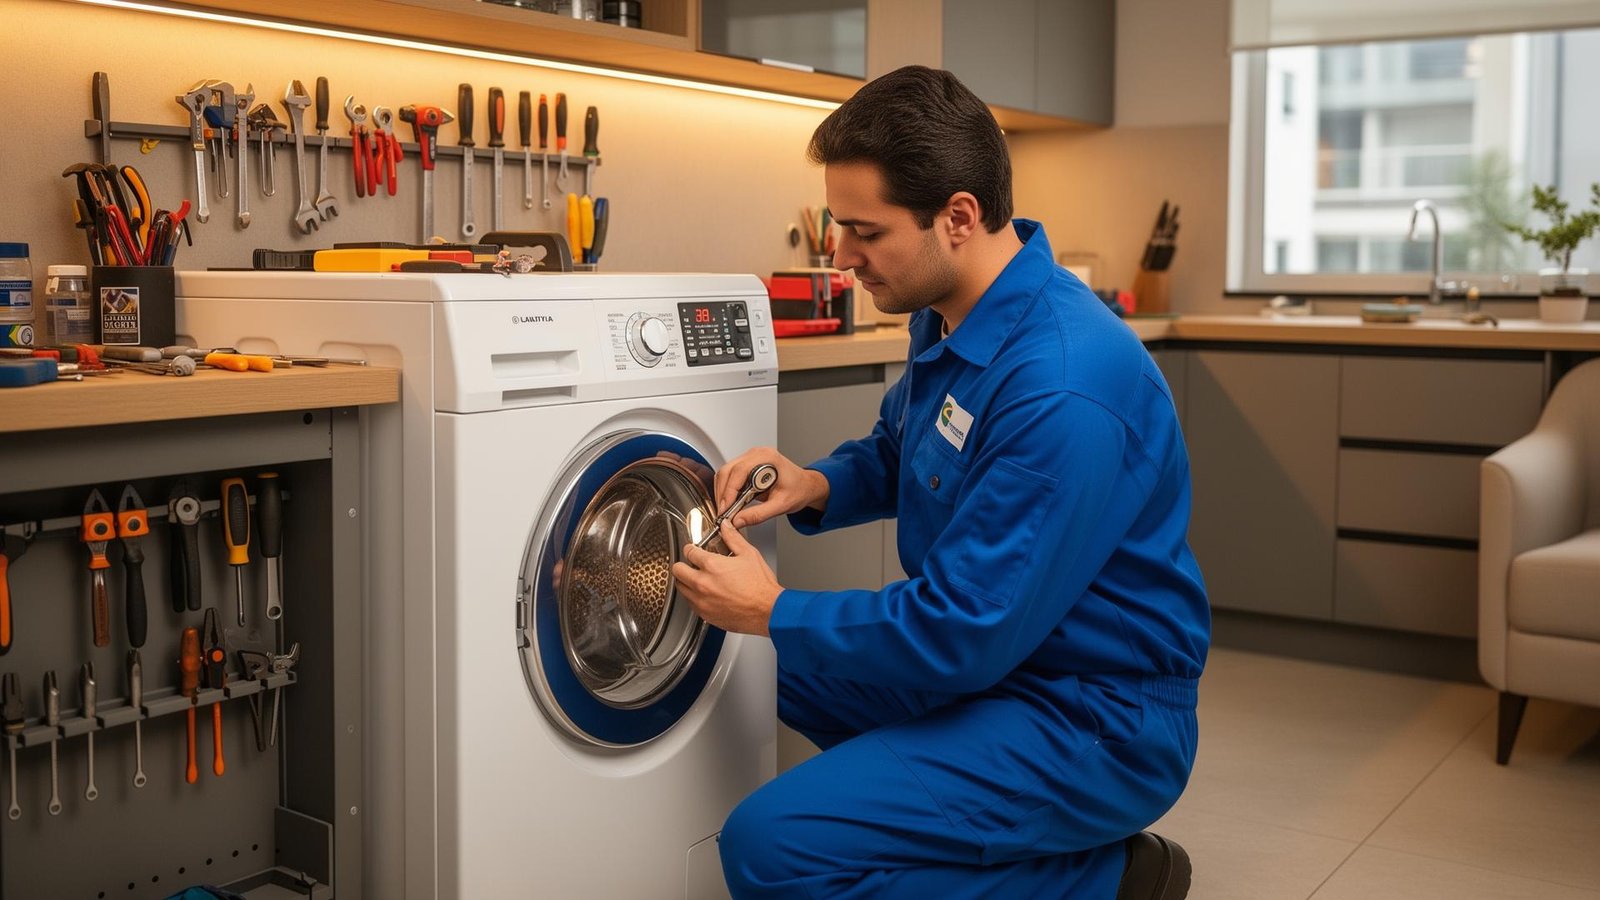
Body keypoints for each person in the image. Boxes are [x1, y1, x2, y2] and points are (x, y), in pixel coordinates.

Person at [671, 65, 1209, 900]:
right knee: (763, 662)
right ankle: (981, 835)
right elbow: (901, 452)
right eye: (837, 226)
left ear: (958, 217)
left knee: (771, 846)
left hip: (1093, 716)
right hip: (1004, 664)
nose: (841, 256)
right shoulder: (951, 311)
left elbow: (961, 631)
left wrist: (774, 608)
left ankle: (1104, 879)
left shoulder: (1063, 385)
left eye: (864, 231)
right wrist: (812, 483)